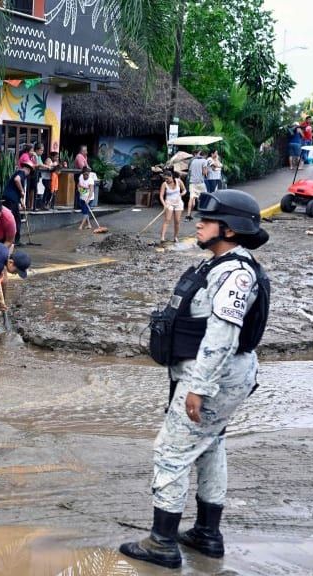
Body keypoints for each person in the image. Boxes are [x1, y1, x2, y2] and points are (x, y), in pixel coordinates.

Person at [120, 189, 271, 570]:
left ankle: (162, 543)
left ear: (231, 230)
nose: (198, 223)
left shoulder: (234, 273)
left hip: (214, 377)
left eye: (207, 219)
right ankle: (206, 533)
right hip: (217, 374)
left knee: (170, 452)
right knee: (209, 447)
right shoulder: (222, 265)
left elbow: (222, 337)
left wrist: (198, 389)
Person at [2, 161, 32, 244]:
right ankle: (14, 240)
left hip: (10, 199)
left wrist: (22, 203)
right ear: (28, 170)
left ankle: (13, 239)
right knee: (15, 219)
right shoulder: (21, 172)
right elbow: (17, 180)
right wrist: (22, 190)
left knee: (14, 219)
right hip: (11, 200)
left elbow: (17, 193)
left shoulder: (19, 172)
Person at [159, 170, 186, 244]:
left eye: (167, 178)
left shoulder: (178, 181)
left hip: (178, 203)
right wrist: (164, 205)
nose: (166, 180)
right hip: (169, 203)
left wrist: (181, 194)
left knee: (177, 221)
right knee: (167, 220)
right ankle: (162, 237)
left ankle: (175, 237)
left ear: (171, 176)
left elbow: (184, 190)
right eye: (165, 179)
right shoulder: (164, 184)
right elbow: (161, 196)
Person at [185, 150, 208, 221]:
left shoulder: (193, 161)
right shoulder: (204, 161)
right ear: (205, 155)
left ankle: (188, 216)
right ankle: (204, 214)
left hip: (192, 182)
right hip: (200, 182)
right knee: (205, 197)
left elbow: (190, 171)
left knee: (191, 198)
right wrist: (207, 172)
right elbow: (204, 173)